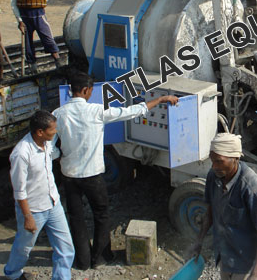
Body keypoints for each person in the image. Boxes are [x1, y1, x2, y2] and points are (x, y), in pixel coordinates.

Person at [52, 71, 179, 270]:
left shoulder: (57, 115)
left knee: (76, 218)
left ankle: (83, 261)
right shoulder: (95, 111)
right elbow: (131, 111)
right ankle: (101, 257)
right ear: (85, 90)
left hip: (69, 175)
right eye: (90, 91)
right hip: (93, 175)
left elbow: (49, 147)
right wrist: (162, 99)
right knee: (101, 215)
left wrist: (59, 156)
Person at [4, 110, 75, 280]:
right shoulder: (21, 154)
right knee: (24, 247)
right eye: (52, 129)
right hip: (34, 210)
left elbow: (54, 156)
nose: (55, 131)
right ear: (40, 132)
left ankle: (61, 277)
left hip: (53, 204)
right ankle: (12, 274)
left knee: (65, 247)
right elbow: (19, 190)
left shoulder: (47, 144)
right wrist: (27, 216)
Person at [192, 133, 257, 279]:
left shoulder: (252, 188)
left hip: (244, 262)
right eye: (212, 161)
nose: (214, 166)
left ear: (235, 158)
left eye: (219, 161)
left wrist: (255, 273)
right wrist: (199, 242)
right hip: (224, 256)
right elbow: (210, 213)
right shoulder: (213, 177)